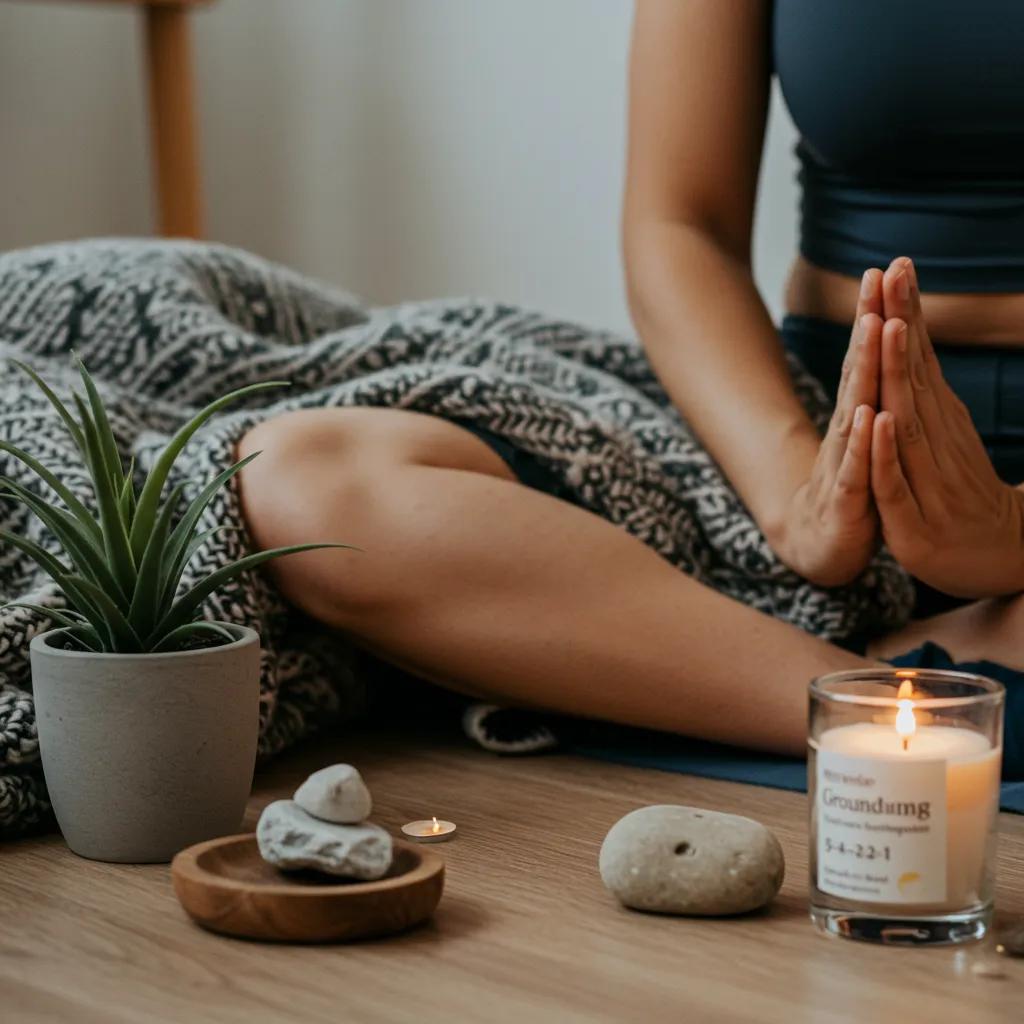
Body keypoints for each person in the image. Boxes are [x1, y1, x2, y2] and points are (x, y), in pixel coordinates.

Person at [236, 0, 1024, 759]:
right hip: (802, 425)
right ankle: (898, 697)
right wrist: (797, 502)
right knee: (310, 483)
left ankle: (783, 680)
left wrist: (1010, 528)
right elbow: (680, 227)